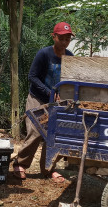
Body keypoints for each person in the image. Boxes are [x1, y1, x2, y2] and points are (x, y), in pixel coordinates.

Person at [11, 22, 74, 182]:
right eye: (61, 38)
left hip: (58, 102)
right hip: (38, 98)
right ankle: (20, 163)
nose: (65, 42)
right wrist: (49, 92)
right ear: (54, 37)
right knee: (36, 132)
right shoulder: (44, 54)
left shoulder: (70, 57)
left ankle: (48, 168)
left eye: (68, 38)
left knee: (54, 134)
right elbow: (32, 76)